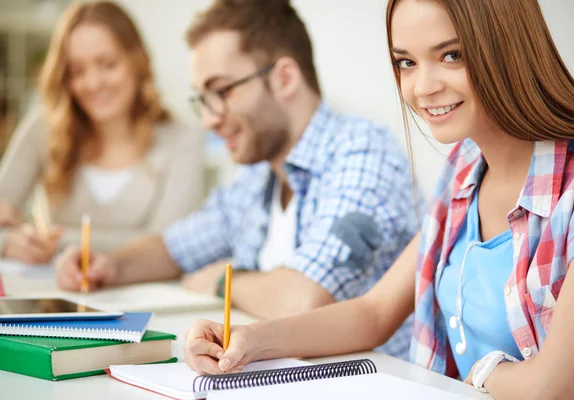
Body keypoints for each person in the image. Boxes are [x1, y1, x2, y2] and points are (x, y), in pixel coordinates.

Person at [182, 0, 574, 398]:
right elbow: (374, 313)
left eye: (452, 55)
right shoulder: (465, 167)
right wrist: (246, 341)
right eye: (407, 62)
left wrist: (485, 374)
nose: (423, 87)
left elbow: (556, 388)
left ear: (508, 46)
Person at [55, 0, 419, 359]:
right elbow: (176, 248)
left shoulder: (363, 153)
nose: (209, 120)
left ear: (285, 78)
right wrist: (110, 266)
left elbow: (304, 299)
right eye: (203, 99)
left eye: (222, 91)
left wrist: (224, 282)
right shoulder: (259, 173)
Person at [0, 1, 204, 264]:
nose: (93, 83)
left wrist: (55, 240)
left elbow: (170, 247)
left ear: (136, 61)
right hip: (53, 298)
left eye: (108, 64)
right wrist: (10, 242)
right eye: (77, 70)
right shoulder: (42, 129)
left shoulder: (181, 140)